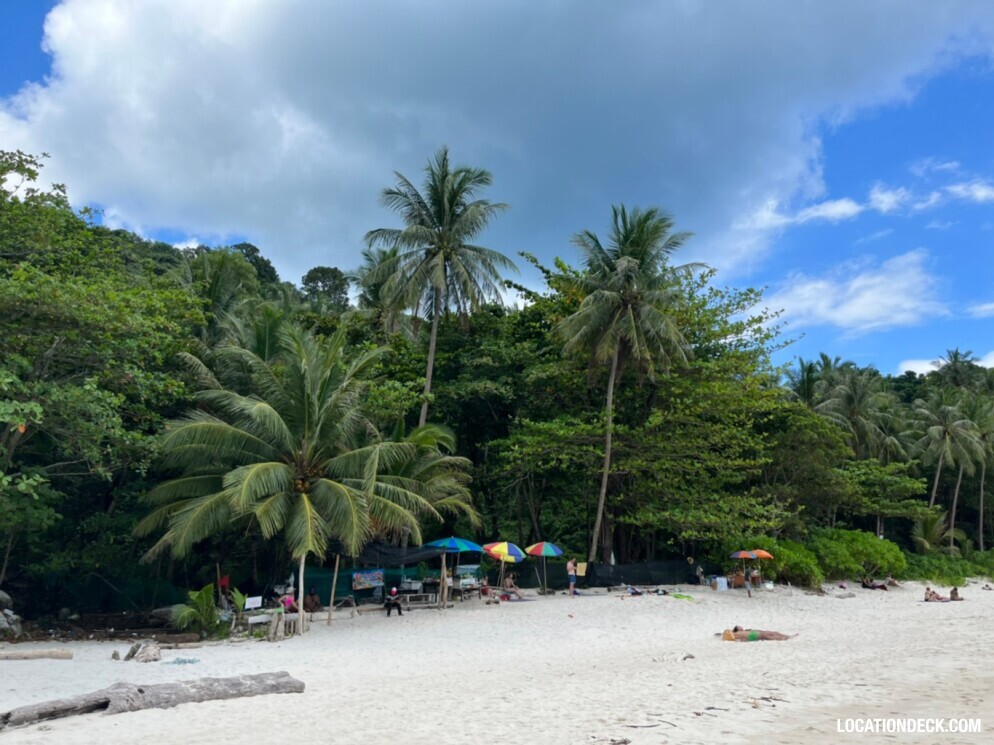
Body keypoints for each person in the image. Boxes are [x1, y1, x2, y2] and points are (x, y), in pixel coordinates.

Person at [722, 625, 794, 641]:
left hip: (753, 633)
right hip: (751, 636)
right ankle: (782, 638)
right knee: (766, 635)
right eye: (739, 626)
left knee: (770, 633)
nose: (741, 627)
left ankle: (785, 636)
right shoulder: (736, 633)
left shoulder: (744, 631)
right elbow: (727, 634)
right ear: (737, 629)